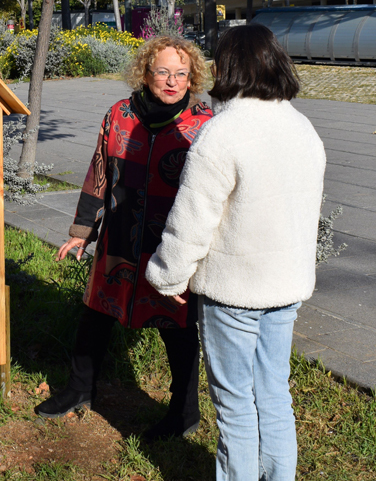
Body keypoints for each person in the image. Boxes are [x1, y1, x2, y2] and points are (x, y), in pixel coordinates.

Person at [145, 24, 325, 480]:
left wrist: (167, 277)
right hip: (286, 287)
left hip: (234, 292)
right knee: (274, 395)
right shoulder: (302, 127)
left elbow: (192, 220)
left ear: (226, 68)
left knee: (235, 405)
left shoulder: (222, 134)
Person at [34, 35, 213, 441]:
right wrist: (83, 232)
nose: (172, 81)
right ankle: (79, 389)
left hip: (172, 243)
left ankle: (184, 412)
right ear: (146, 72)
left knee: (178, 326)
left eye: (181, 74)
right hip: (118, 239)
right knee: (96, 312)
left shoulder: (204, 125)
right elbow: (99, 170)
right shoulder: (119, 114)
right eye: (163, 72)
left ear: (192, 77)